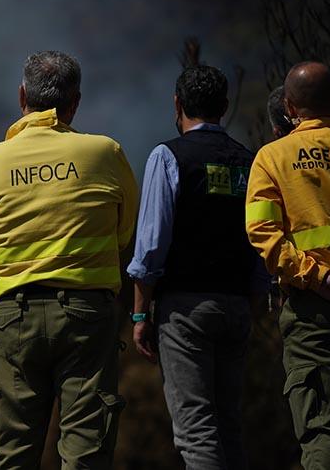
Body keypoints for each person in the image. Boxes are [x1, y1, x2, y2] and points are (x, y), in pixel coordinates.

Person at [0, 51, 138, 469]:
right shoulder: (105, 153)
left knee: (12, 455)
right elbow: (125, 234)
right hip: (86, 316)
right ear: (75, 102)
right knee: (85, 453)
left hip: (10, 318)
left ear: (22, 95)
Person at [128, 65, 268, 470]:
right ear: (224, 107)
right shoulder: (250, 161)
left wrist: (140, 313)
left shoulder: (168, 156)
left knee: (196, 430)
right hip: (238, 305)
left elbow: (151, 246)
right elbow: (260, 239)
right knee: (229, 425)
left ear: (177, 103)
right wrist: (252, 303)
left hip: (186, 309)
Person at [245, 62, 330, 469]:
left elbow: (263, 234)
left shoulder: (272, 158)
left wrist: (320, 278)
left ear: (289, 107)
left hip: (314, 312)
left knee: (326, 429)